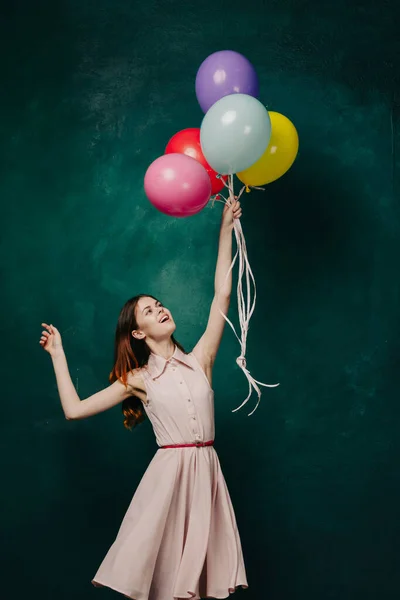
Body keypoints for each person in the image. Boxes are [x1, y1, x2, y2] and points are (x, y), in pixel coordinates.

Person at [39, 199, 248, 600]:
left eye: (160, 304)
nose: (161, 309)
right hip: (170, 476)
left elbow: (221, 296)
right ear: (139, 333)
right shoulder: (137, 378)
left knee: (203, 580)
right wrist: (58, 356)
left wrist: (225, 227)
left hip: (206, 469)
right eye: (150, 312)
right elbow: (74, 410)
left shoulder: (199, 358)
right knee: (170, 577)